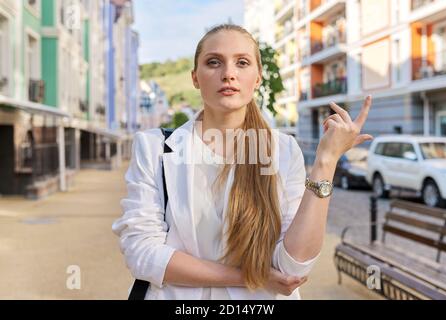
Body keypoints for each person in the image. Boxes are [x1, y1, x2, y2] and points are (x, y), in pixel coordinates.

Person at [112, 24, 373, 300]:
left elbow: (293, 266)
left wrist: (327, 161)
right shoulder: (154, 147)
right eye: (214, 62)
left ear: (258, 78)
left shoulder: (284, 150)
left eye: (242, 63)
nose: (228, 74)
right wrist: (248, 277)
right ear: (195, 78)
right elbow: (141, 252)